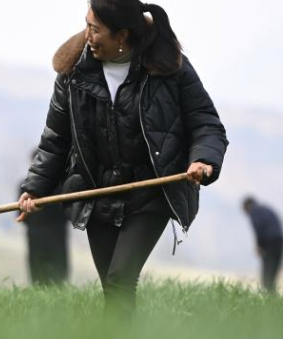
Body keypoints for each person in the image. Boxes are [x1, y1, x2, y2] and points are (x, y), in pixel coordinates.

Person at [17, 0, 228, 319]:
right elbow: (56, 140)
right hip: (97, 193)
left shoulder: (170, 68)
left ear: (123, 36)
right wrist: (35, 189)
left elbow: (205, 122)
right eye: (86, 24)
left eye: (95, 29)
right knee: (112, 289)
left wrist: (203, 160)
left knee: (119, 281)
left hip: (150, 193)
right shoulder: (73, 73)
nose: (86, 35)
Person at [20, 148, 70, 285]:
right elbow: (21, 214)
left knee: (57, 269)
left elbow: (68, 211)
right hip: (39, 233)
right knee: (38, 268)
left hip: (54, 233)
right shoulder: (25, 187)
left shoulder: (62, 186)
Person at [242, 197, 283, 293]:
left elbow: (259, 228)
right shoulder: (265, 209)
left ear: (247, 206)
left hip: (270, 243)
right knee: (273, 273)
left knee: (266, 275)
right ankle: (273, 296)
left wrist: (259, 246)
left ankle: (269, 298)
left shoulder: (254, 212)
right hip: (280, 241)